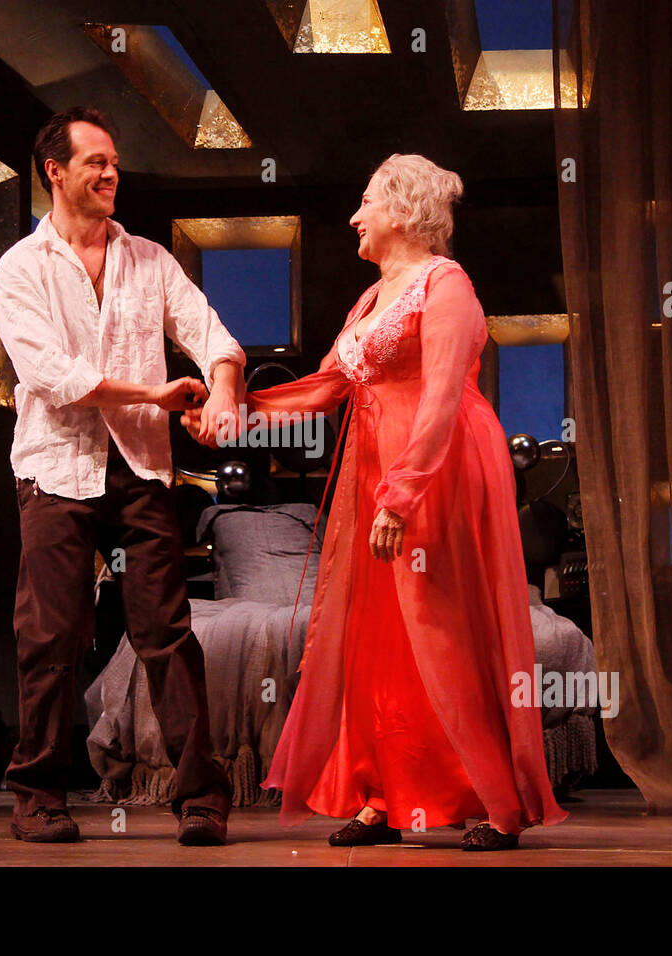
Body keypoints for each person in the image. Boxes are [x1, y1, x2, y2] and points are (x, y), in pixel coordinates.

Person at [185, 154, 567, 850]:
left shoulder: (445, 284)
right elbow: (323, 390)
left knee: (441, 623)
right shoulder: (369, 300)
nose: (355, 217)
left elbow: (445, 397)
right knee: (376, 633)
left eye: (366, 203)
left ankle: (495, 801)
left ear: (402, 210)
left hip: (439, 467)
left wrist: (402, 496)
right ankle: (388, 794)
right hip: (374, 470)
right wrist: (229, 412)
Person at [0, 106, 246, 846]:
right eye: (96, 161)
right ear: (56, 172)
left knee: (166, 631)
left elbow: (212, 335)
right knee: (52, 634)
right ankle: (37, 793)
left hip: (139, 469)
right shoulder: (22, 268)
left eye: (113, 162)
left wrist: (222, 392)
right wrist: (155, 396)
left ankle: (202, 796)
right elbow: (50, 374)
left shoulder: (149, 261)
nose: (111, 173)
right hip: (54, 469)